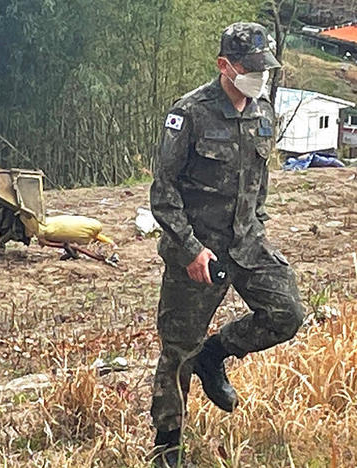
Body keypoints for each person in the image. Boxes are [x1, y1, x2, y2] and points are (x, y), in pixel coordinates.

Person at [149, 22, 304, 466]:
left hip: (248, 244)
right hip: (199, 249)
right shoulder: (190, 113)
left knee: (287, 313)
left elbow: (260, 182)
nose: (258, 77)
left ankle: (215, 354)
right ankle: (168, 445)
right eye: (250, 68)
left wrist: (256, 225)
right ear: (224, 66)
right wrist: (189, 249)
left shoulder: (263, 111)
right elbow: (163, 192)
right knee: (178, 349)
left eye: (264, 68)